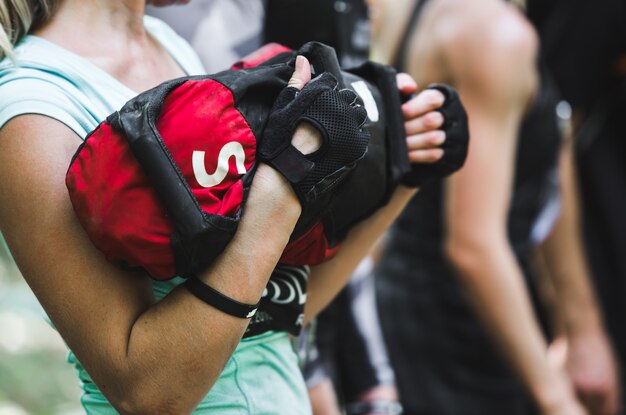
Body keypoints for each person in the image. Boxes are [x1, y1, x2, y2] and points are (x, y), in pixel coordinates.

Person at [0, 0, 452, 413]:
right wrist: (286, 179)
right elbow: (148, 392)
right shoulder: (34, 109)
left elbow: (271, 310)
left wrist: (401, 175)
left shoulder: (168, 47)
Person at [368, 0, 620, 414]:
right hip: (457, 340)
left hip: (411, 310)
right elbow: (473, 249)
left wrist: (582, 330)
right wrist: (557, 401)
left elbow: (553, 156)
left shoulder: (425, 10)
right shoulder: (494, 37)